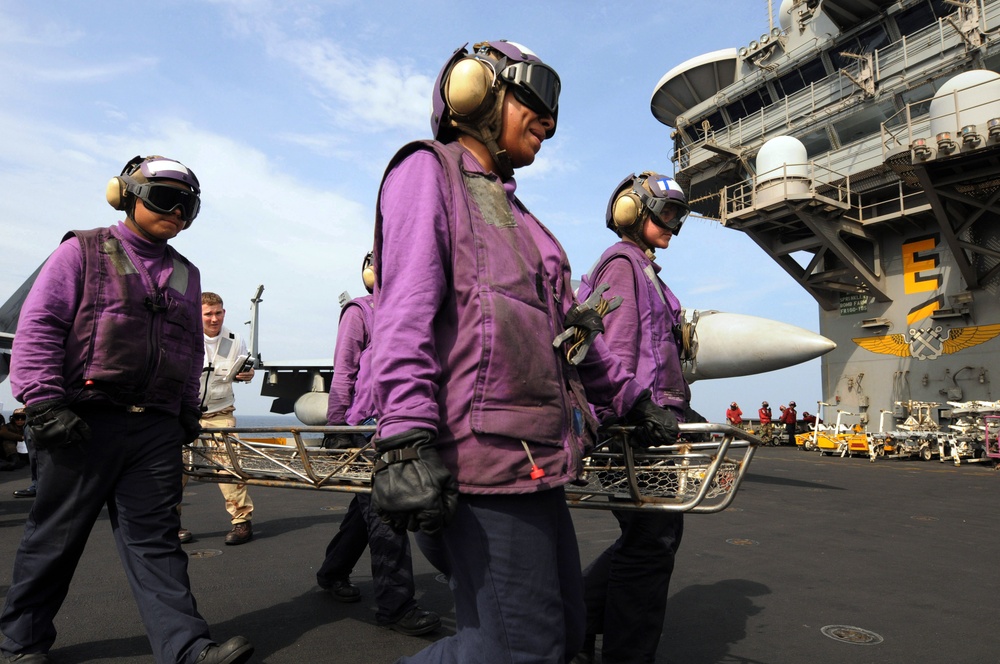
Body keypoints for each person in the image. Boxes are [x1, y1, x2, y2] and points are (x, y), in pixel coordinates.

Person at [368, 40, 680, 664]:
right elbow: (404, 313)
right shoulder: (428, 172)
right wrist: (403, 436)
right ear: (472, 92)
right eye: (532, 98)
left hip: (536, 462)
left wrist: (629, 401)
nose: (549, 120)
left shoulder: (532, 229)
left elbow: (572, 335)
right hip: (481, 460)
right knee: (517, 652)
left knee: (561, 639)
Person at [1, 155, 253, 664]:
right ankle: (20, 644)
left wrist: (185, 411)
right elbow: (40, 325)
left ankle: (186, 647)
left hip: (155, 428)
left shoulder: (186, 273)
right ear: (127, 195)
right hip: (80, 423)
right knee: (54, 541)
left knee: (157, 544)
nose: (177, 211)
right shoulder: (83, 251)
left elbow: (184, 353)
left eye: (189, 205)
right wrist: (44, 402)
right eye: (164, 198)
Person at [575, 171, 691, 664]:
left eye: (679, 217)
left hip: (653, 418)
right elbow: (609, 352)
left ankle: (574, 627)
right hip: (635, 425)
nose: (673, 226)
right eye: (666, 213)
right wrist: (631, 409)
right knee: (651, 541)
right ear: (631, 211)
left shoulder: (645, 271)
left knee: (651, 539)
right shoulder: (622, 266)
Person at [316, 252, 440, 636]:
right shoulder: (360, 312)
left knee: (365, 510)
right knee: (386, 516)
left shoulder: (416, 314)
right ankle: (395, 605)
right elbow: (344, 371)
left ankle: (333, 571)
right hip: (366, 431)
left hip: (402, 428)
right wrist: (338, 427)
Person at [186, 292, 256, 545]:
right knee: (172, 470)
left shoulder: (235, 341)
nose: (214, 319)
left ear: (224, 312)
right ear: (198, 314)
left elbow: (245, 368)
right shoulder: (185, 337)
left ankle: (242, 523)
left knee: (229, 467)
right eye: (208, 314)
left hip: (220, 411)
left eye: (218, 313)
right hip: (184, 412)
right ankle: (169, 524)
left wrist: (246, 375)